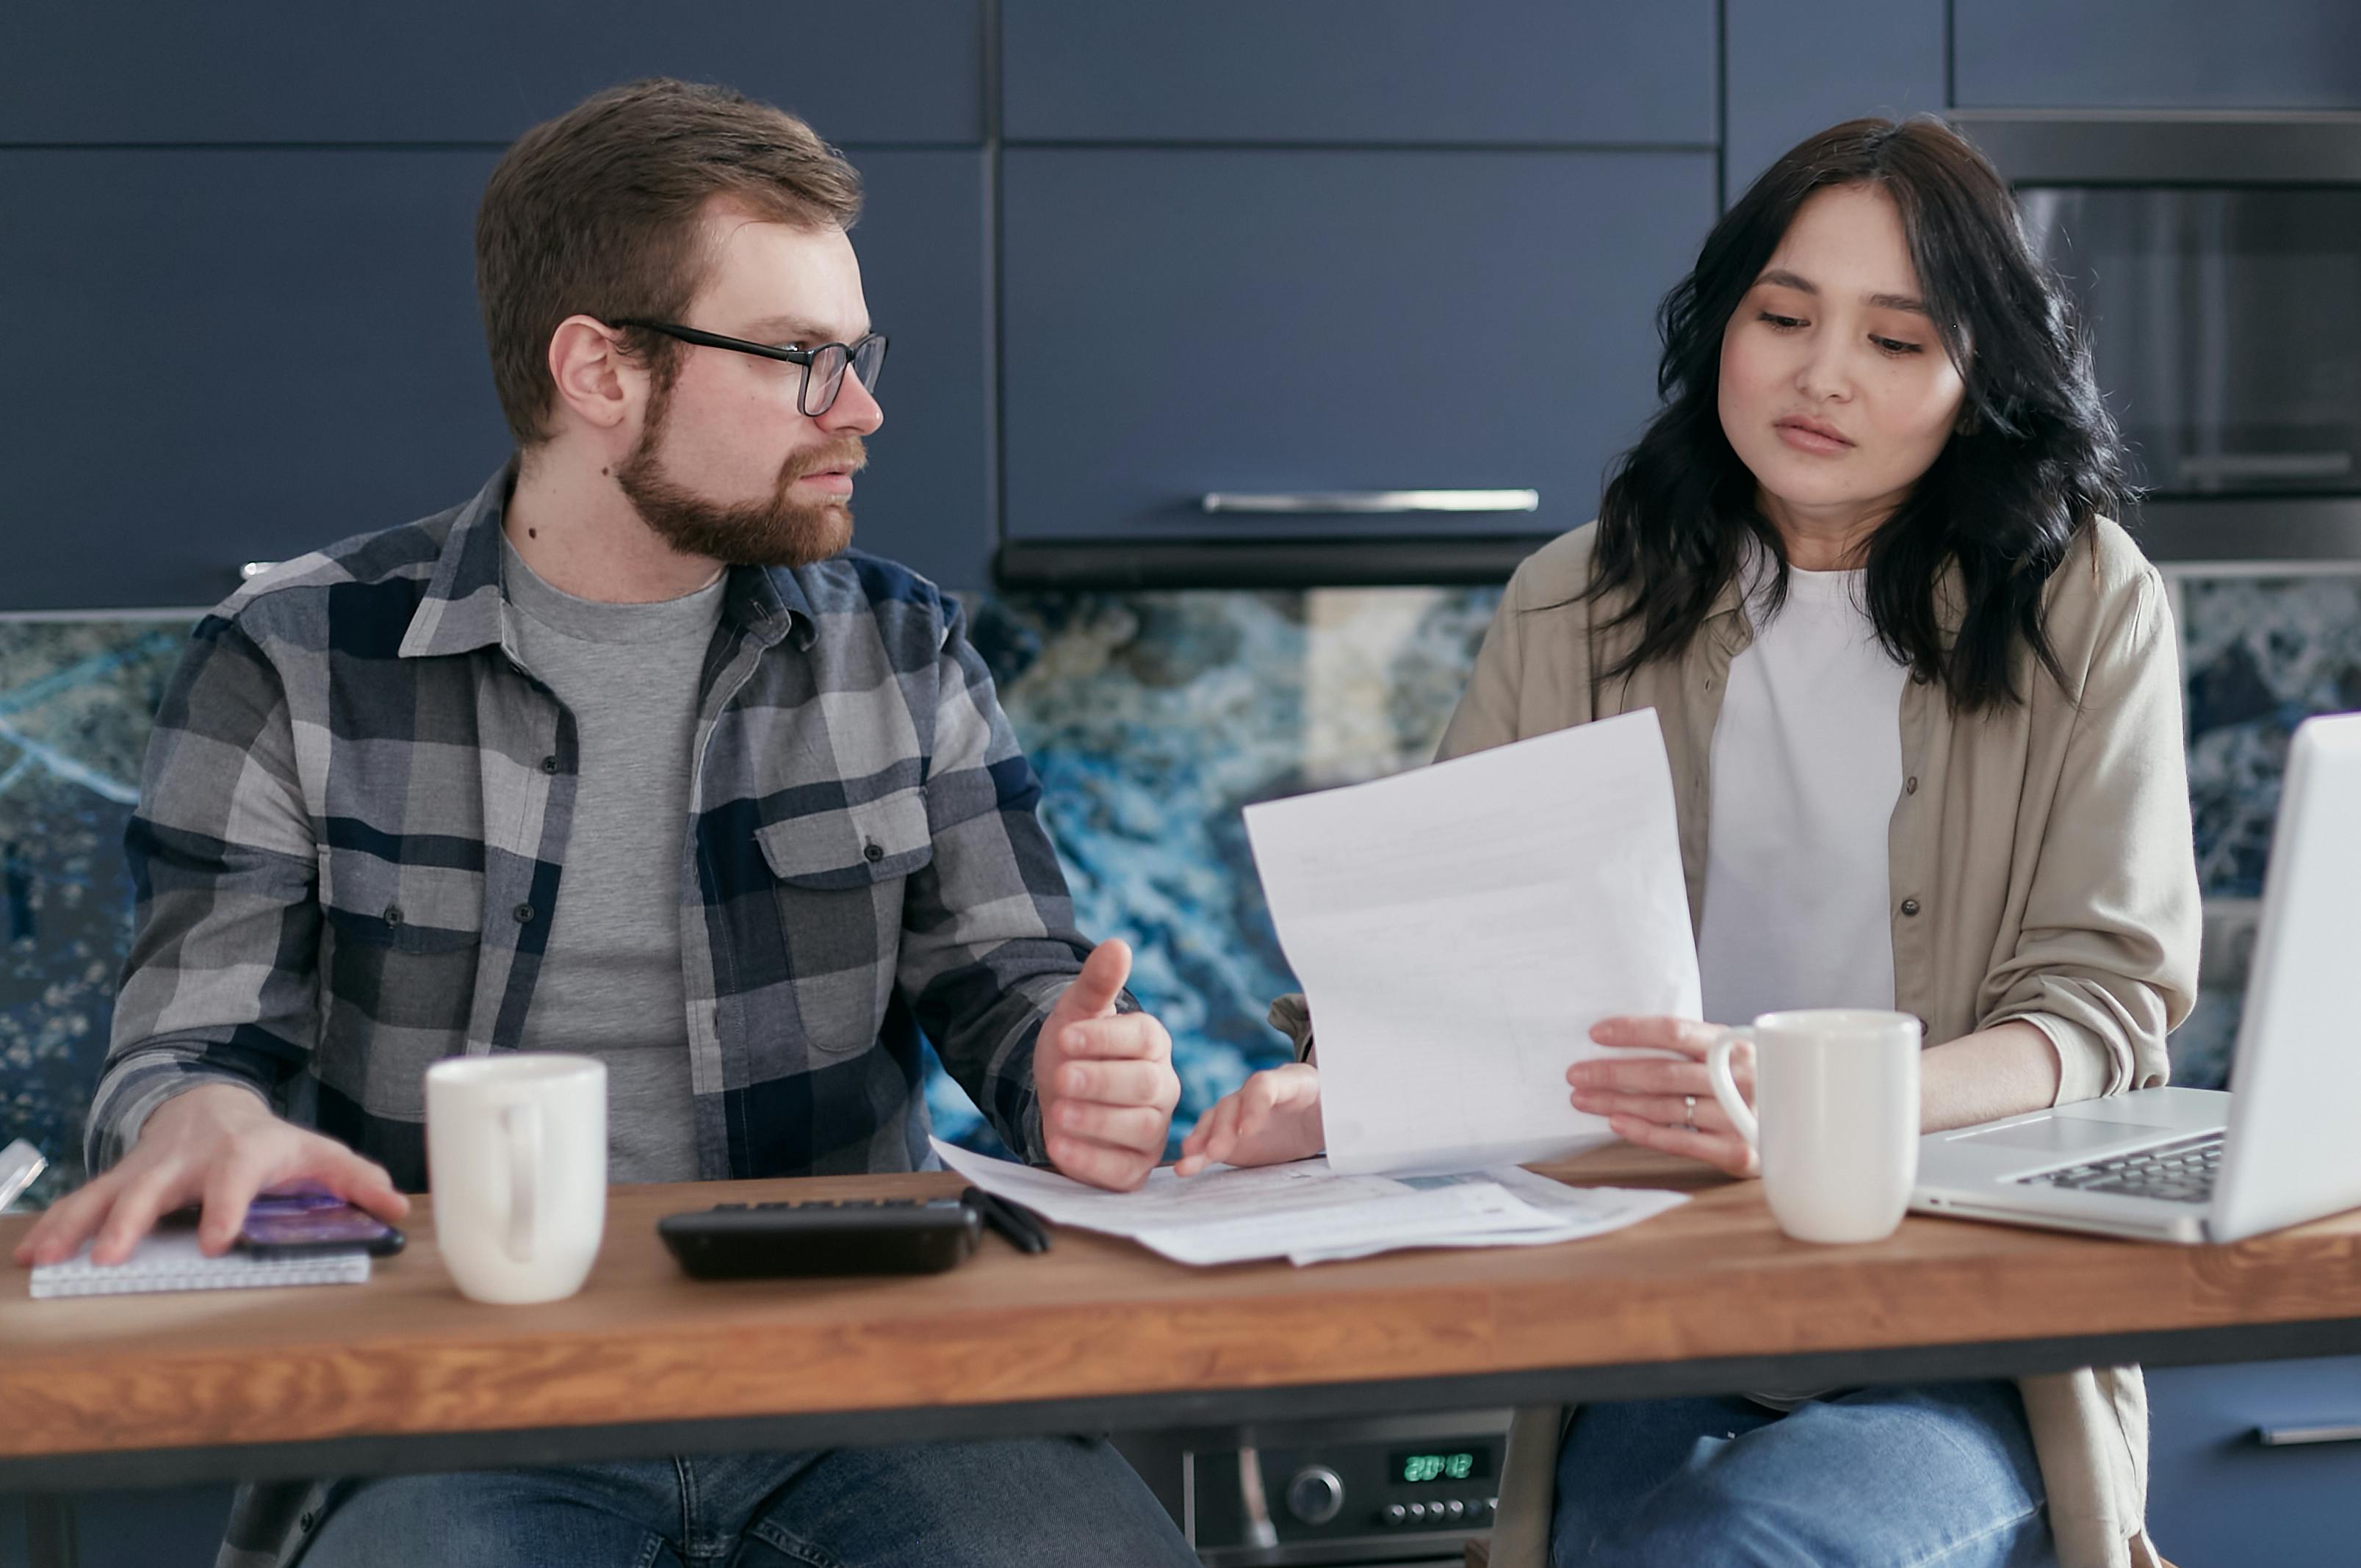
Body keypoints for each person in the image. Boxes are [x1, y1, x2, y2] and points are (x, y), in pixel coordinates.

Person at [13, 79, 1196, 1568]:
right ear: (598, 370)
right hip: (458, 1397)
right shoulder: (291, 661)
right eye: (798, 360)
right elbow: (184, 1057)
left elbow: (1013, 988)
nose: (862, 409)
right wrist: (207, 1129)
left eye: (858, 355)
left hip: (869, 1383)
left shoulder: (898, 648)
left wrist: (1073, 1074)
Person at [1180, 118, 2198, 1568]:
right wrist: (1340, 1089)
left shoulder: (2084, 604)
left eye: (1896, 342)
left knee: (1731, 1547)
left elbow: (2095, 1016)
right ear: (1719, 323)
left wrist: (1814, 1114)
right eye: (1781, 317)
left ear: (1978, 384)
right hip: (1646, 1301)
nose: (1820, 372)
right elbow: (1462, 972)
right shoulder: (1574, 601)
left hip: (1962, 1318)